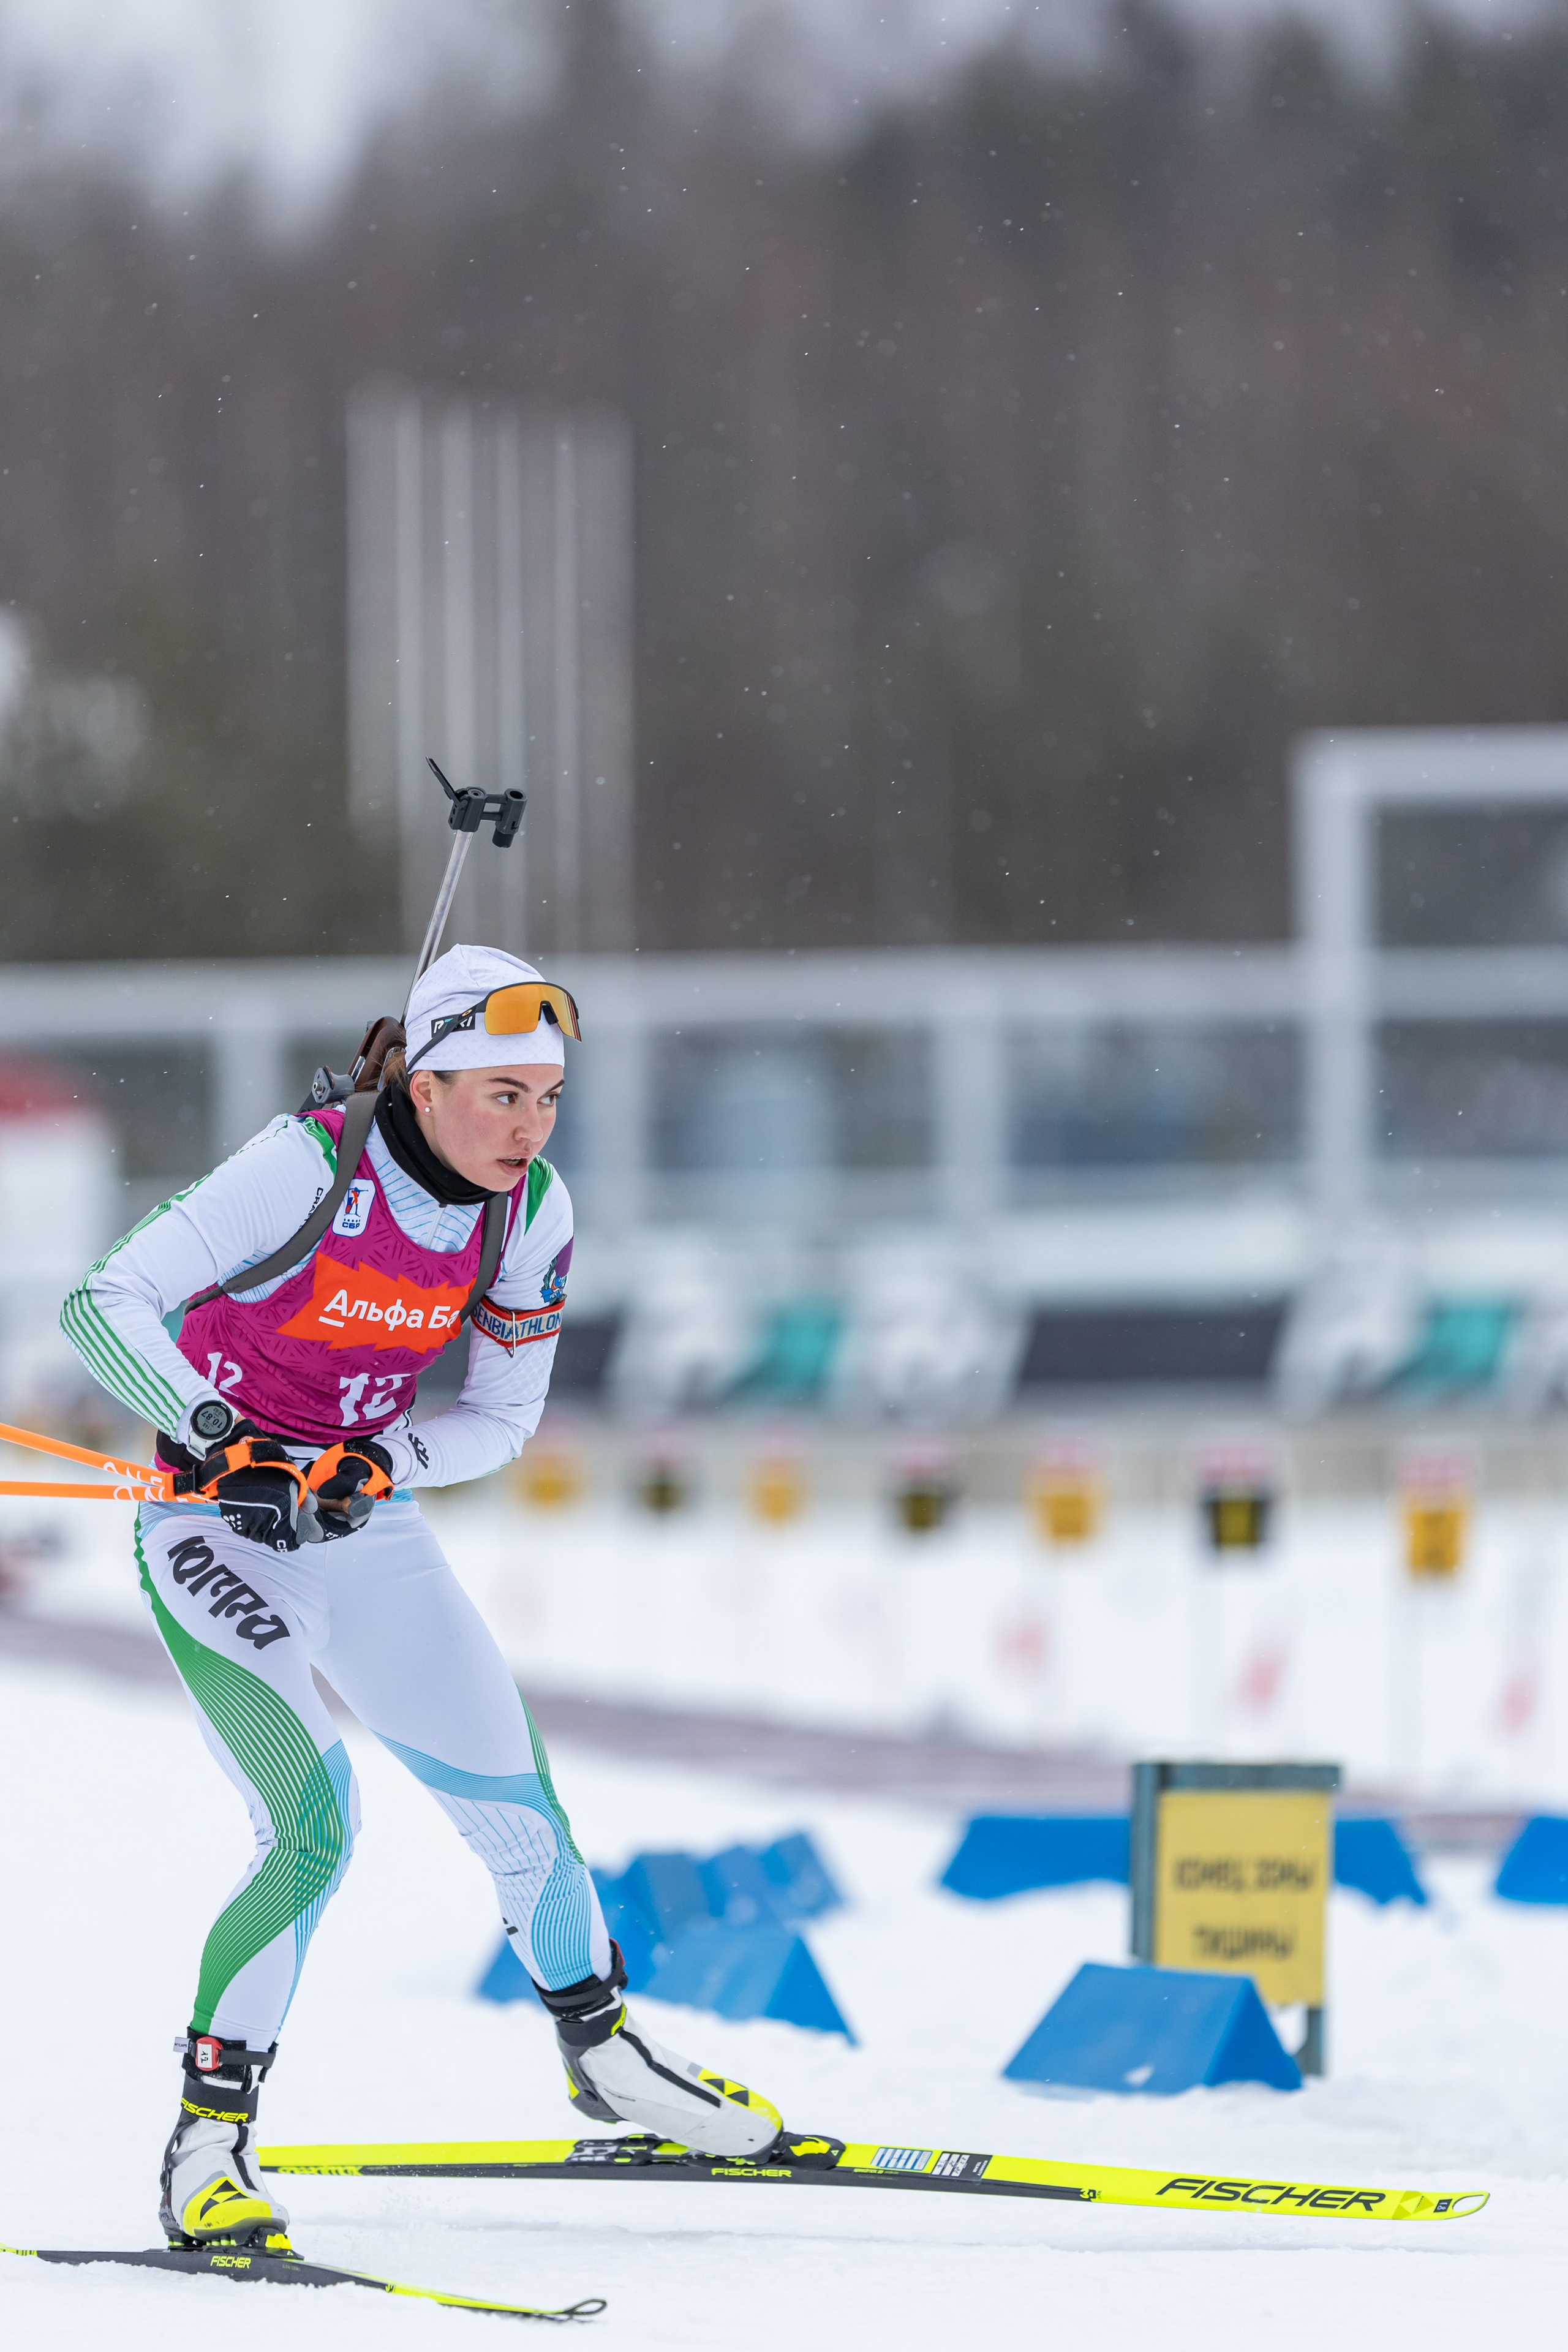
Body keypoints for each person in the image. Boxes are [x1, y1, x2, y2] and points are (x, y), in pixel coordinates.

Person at [60, 942, 783, 2252]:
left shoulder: (531, 1212)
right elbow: (104, 1305)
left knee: (522, 1811)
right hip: (214, 1532)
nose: (529, 1125)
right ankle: (207, 2145)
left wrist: (383, 1459)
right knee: (312, 1823)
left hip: (361, 1527)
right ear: (433, 1079)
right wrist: (219, 1432)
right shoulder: (312, 1163)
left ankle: (603, 2060)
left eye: (547, 1096)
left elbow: (502, 1418)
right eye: (500, 1093)